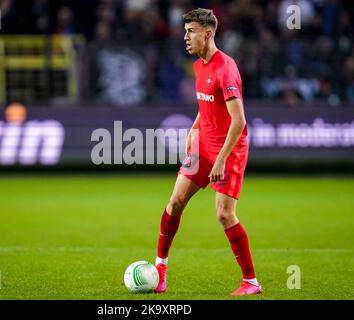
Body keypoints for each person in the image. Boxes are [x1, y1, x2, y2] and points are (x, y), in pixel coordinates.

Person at [154, 8, 262, 296]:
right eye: (185, 31)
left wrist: (222, 160)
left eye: (190, 31)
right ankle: (160, 269)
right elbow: (207, 106)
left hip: (230, 148)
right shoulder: (199, 66)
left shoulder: (225, 68)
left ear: (208, 33)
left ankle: (250, 281)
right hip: (203, 145)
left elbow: (238, 121)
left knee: (224, 215)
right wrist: (194, 128)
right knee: (175, 202)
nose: (185, 37)